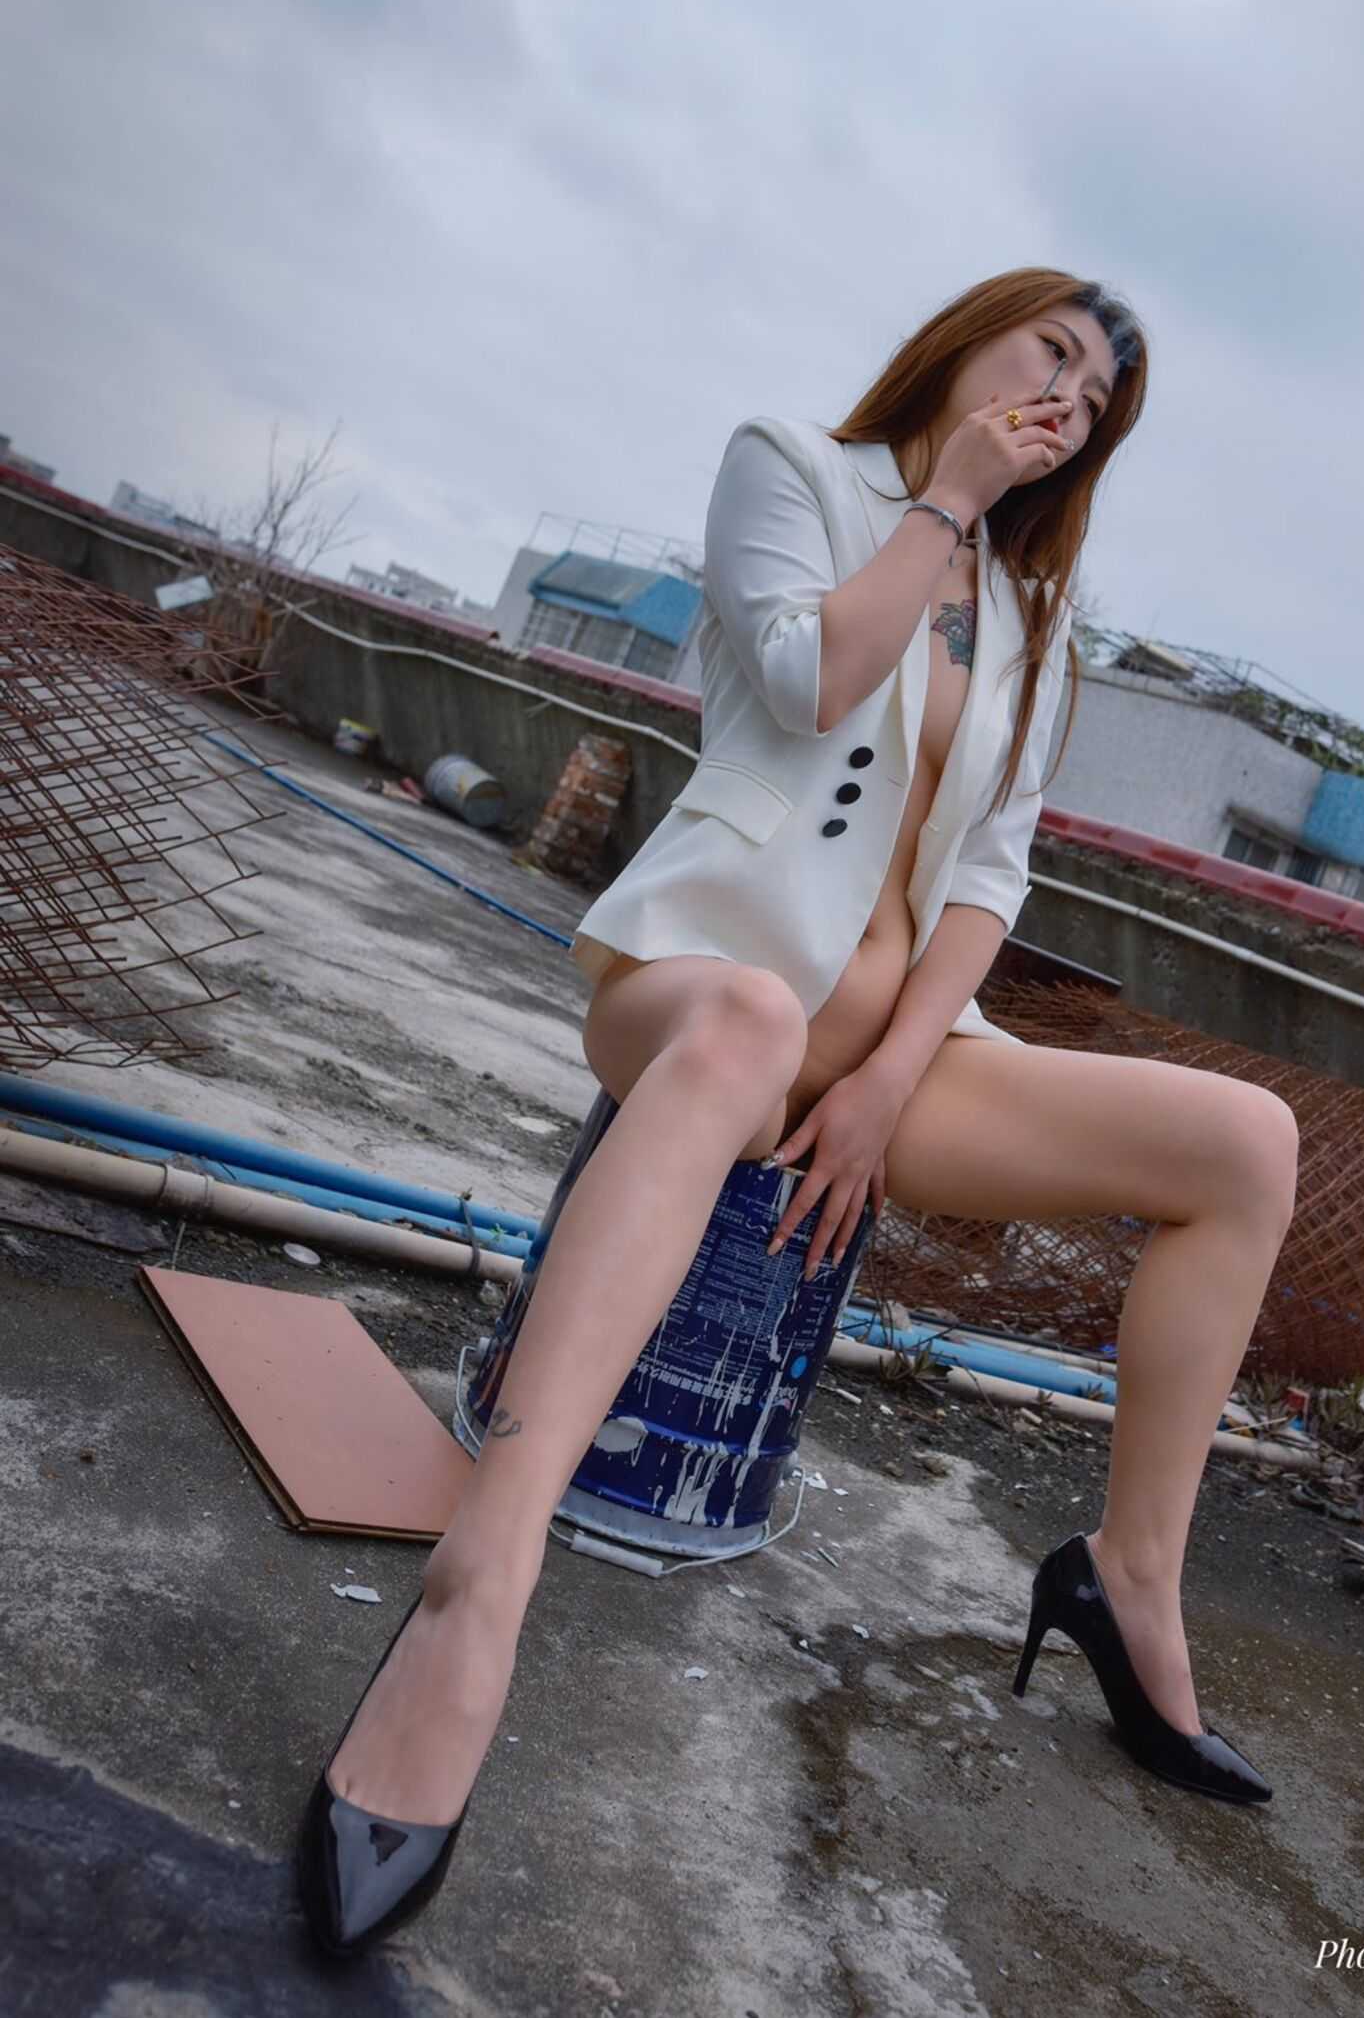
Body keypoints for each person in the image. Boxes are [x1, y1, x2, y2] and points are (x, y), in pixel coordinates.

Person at [297, 267, 1297, 1957]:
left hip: (903, 1054)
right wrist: (946, 498)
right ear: (976, 338)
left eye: (1096, 403)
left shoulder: (1037, 617)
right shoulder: (798, 469)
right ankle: (480, 1586)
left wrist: (896, 1076)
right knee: (754, 1018)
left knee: (1248, 1146)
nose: (1067, 400)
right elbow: (808, 681)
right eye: (1054, 353)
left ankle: (1128, 1583)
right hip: (701, 991)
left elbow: (991, 872)